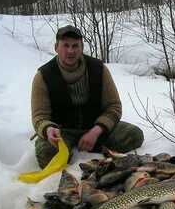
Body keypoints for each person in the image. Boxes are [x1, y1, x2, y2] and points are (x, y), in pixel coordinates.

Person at [31, 25, 144, 168]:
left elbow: (114, 106)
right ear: (56, 47)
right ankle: (73, 149)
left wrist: (96, 131)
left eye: (75, 46)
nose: (70, 51)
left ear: (82, 47)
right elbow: (39, 116)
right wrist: (47, 129)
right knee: (47, 154)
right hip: (62, 131)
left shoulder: (99, 69)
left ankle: (94, 146)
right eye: (65, 45)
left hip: (95, 126)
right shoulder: (43, 76)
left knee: (134, 135)